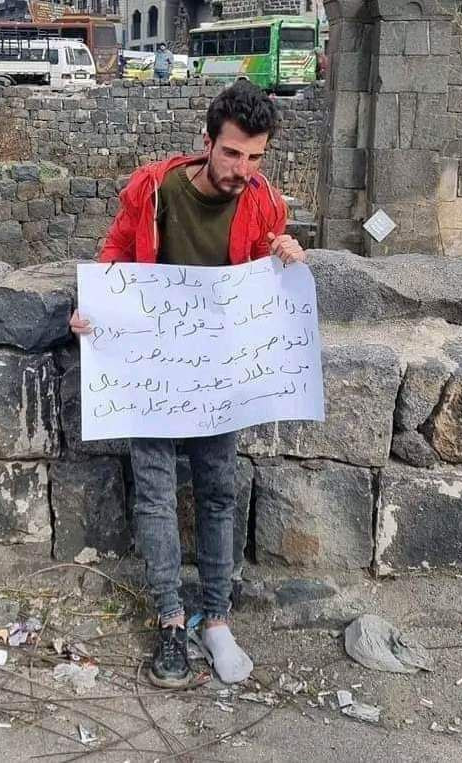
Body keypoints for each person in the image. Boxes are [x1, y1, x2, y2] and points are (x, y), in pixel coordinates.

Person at [70, 80, 306, 689]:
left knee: (218, 491)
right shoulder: (153, 189)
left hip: (217, 372)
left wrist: (285, 256)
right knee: (153, 494)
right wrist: (93, 306)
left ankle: (217, 618)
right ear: (207, 142)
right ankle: (171, 620)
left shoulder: (264, 203)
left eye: (255, 157)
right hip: (151, 367)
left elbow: (264, 284)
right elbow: (116, 253)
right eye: (232, 153)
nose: (242, 170)